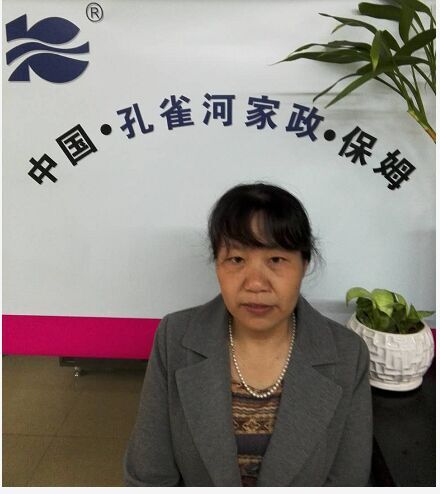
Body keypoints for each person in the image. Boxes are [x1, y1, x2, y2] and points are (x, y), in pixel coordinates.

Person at [123, 182, 372, 487]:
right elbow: (149, 477)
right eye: (237, 260)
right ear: (217, 264)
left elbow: (348, 482)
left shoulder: (348, 355)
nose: (255, 283)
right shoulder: (175, 339)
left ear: (304, 264)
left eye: (276, 260)